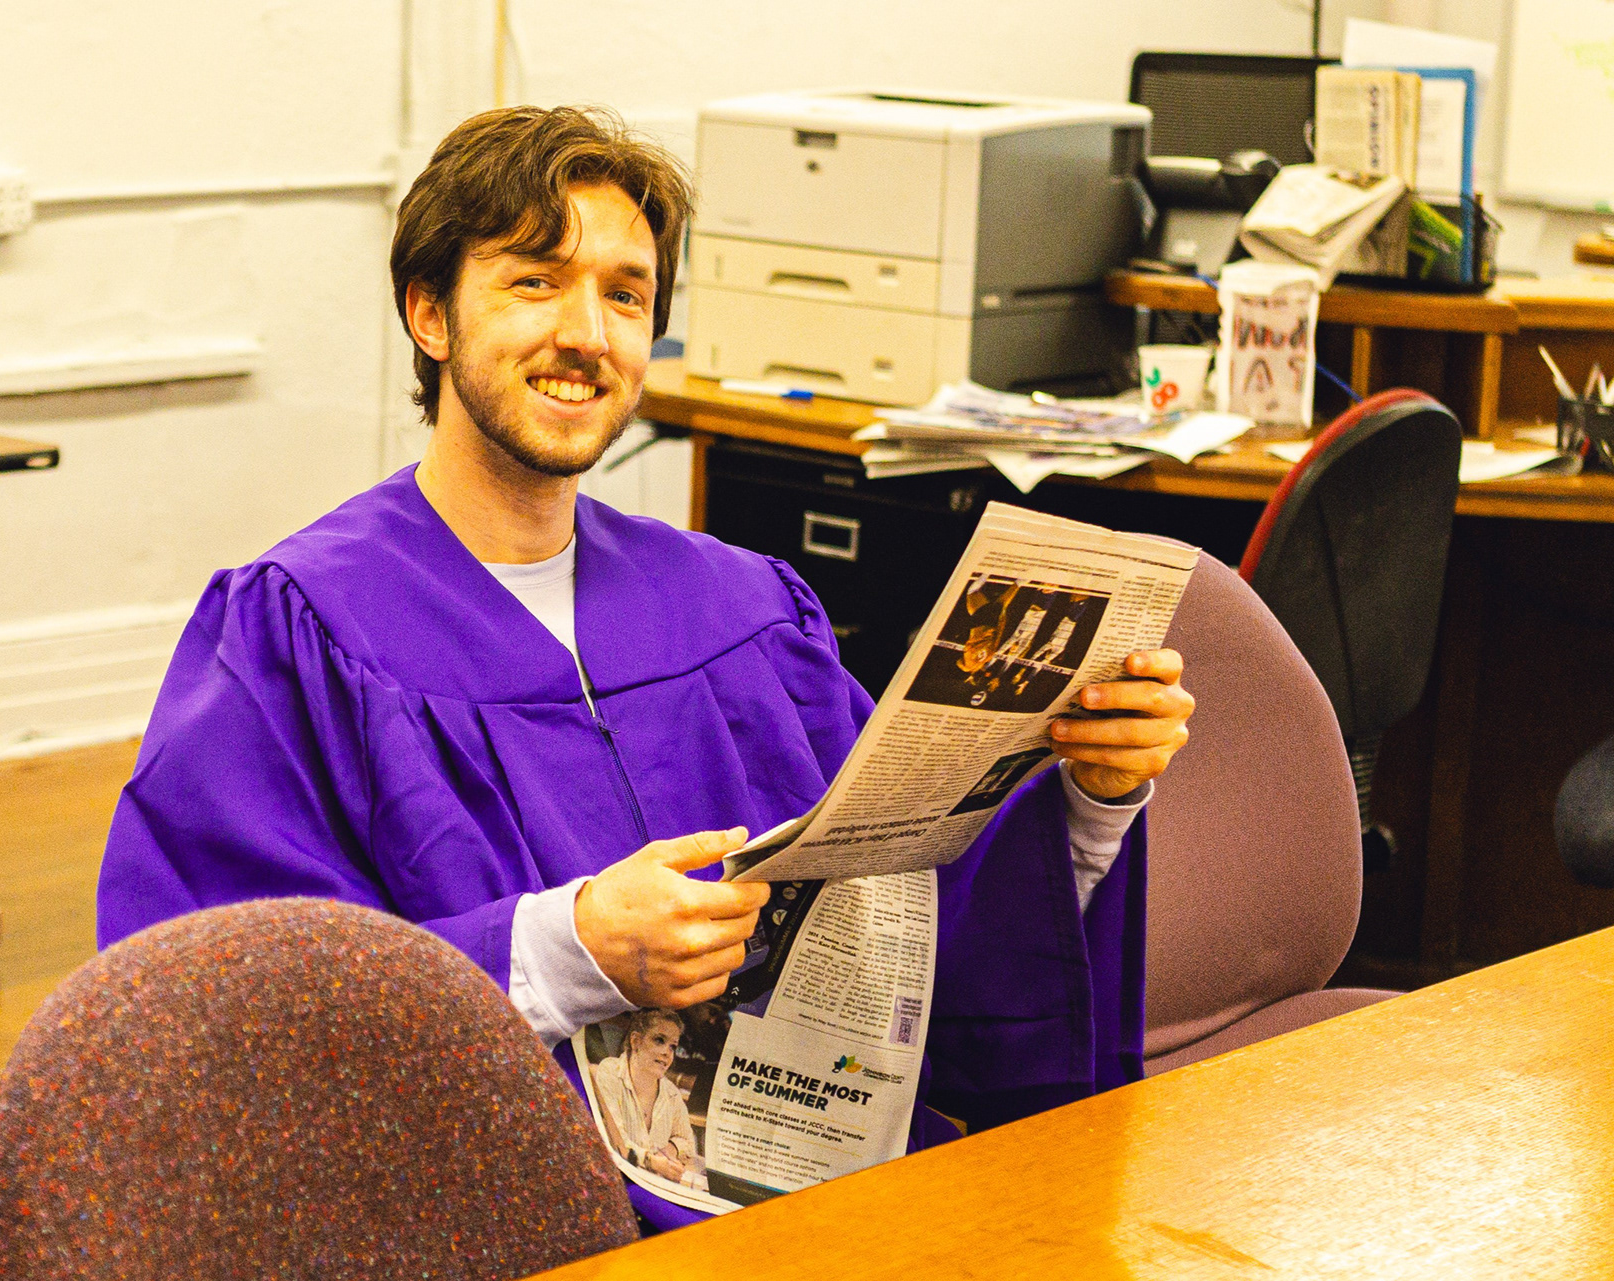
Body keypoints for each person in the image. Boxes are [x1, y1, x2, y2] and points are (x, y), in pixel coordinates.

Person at [96, 104, 1194, 1234]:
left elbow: (915, 916)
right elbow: (222, 1002)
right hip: (520, 1225)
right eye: (535, 282)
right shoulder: (298, 631)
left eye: (624, 295)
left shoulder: (747, 612)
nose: (588, 334)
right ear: (430, 314)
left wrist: (1091, 797)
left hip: (829, 1204)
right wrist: (568, 950)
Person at [589, 1010, 706, 1188]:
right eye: (660, 1040)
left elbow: (688, 1142)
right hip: (618, 1182)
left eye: (672, 1046)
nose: (667, 1053)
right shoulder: (609, 1073)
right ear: (636, 1041)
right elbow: (618, 1144)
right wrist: (652, 1162)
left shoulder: (671, 1093)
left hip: (657, 1184)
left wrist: (669, 1151)